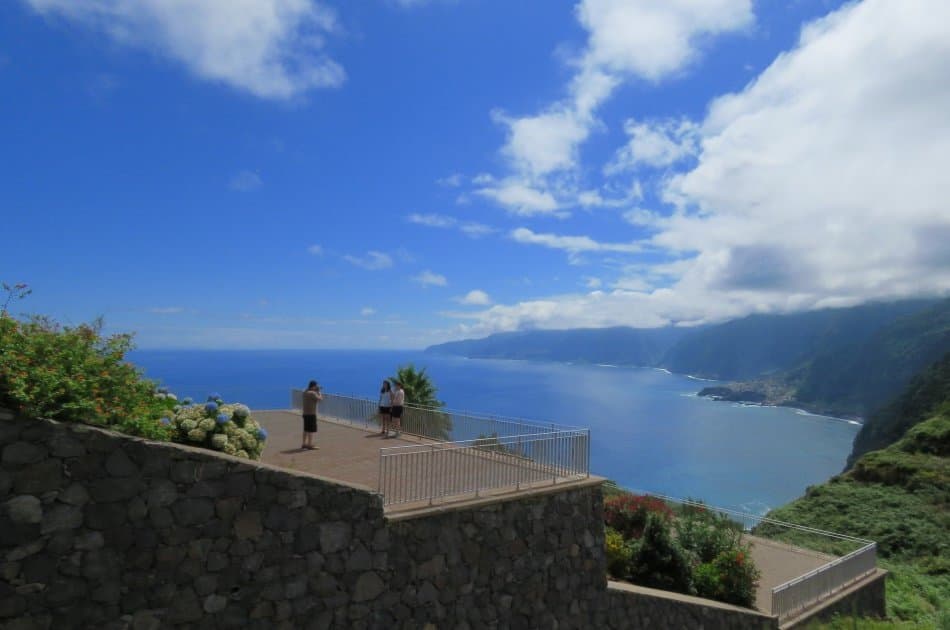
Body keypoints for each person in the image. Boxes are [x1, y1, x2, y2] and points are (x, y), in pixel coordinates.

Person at [301, 380, 322, 450]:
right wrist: (319, 392)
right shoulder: (313, 393)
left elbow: (306, 389)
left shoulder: (305, 392)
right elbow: (320, 399)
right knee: (311, 430)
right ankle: (310, 445)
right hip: (311, 414)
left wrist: (314, 389)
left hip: (305, 413)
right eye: (316, 386)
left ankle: (304, 444)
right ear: (314, 386)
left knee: (306, 429)